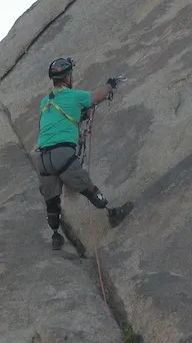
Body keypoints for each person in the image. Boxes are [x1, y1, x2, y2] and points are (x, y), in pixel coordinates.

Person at [33, 57, 134, 250]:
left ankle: (56, 237)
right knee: (88, 188)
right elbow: (97, 96)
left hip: (42, 159)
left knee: (52, 201)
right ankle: (112, 213)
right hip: (62, 155)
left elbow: (57, 119)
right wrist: (110, 84)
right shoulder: (73, 96)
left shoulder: (46, 101)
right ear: (67, 77)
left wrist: (79, 116)